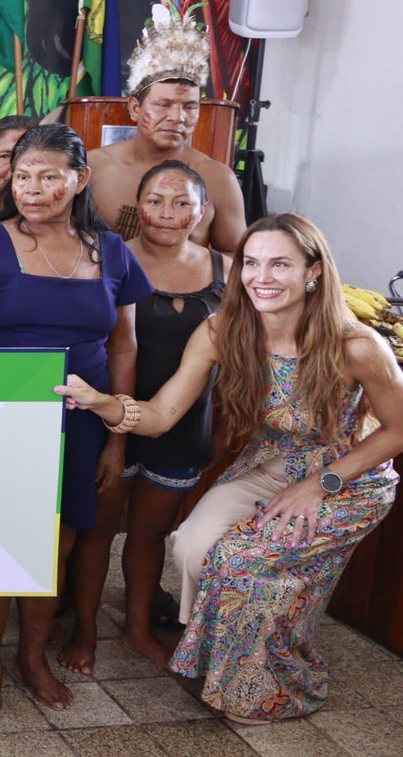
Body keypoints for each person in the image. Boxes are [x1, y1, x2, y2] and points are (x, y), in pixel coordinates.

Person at [58, 214, 403, 723]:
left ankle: (275, 685)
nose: (262, 277)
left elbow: (397, 430)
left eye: (280, 264)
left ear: (313, 271)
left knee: (241, 562)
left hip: (346, 479)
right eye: (251, 263)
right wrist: (101, 402)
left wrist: (319, 484)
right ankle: (231, 658)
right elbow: (161, 415)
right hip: (269, 464)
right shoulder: (223, 330)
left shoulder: (356, 345)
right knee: (192, 547)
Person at [0, 122, 151, 719]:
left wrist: (116, 437)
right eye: (22, 175)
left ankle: (32, 658)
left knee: (55, 544)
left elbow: (124, 346)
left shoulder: (112, 251)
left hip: (80, 422)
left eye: (48, 176)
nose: (31, 188)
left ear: (79, 180)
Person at [64, 161, 225, 673]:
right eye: (155, 201)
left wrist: (222, 427)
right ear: (138, 206)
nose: (168, 213)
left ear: (204, 211)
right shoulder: (109, 258)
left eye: (183, 203)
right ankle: (84, 631)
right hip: (111, 418)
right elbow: (111, 346)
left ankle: (137, 629)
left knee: (151, 534)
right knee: (97, 532)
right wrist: (114, 437)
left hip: (185, 426)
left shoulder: (228, 269)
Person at [88, 0, 246, 250]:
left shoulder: (218, 179)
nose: (177, 117)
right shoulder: (94, 168)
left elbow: (235, 258)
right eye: (163, 105)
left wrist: (186, 263)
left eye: (189, 107)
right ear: (135, 108)